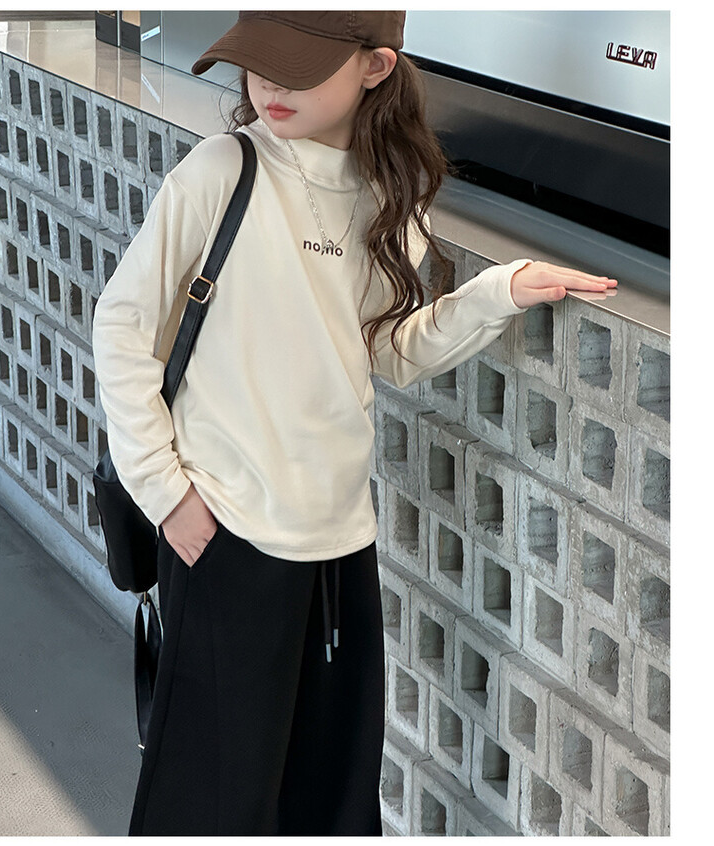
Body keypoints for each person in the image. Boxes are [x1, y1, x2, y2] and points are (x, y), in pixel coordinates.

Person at [91, 10, 618, 837]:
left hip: (339, 542)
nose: (270, 84)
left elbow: (386, 351)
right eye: (258, 61)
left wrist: (497, 293)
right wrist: (169, 497)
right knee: (212, 801)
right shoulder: (222, 171)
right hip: (223, 529)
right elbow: (123, 327)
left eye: (298, 67)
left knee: (330, 798)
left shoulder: (391, 199)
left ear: (375, 67)